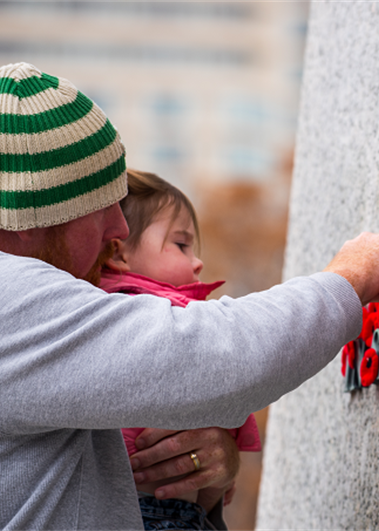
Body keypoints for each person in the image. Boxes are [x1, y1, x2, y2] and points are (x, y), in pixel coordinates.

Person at [0, 62, 379, 530]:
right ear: (25, 212)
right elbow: (210, 356)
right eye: (100, 206)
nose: (119, 227)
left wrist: (202, 478)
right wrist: (349, 278)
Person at [100, 168, 262, 531]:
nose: (198, 261)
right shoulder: (156, 317)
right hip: (156, 513)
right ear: (118, 252)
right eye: (181, 244)